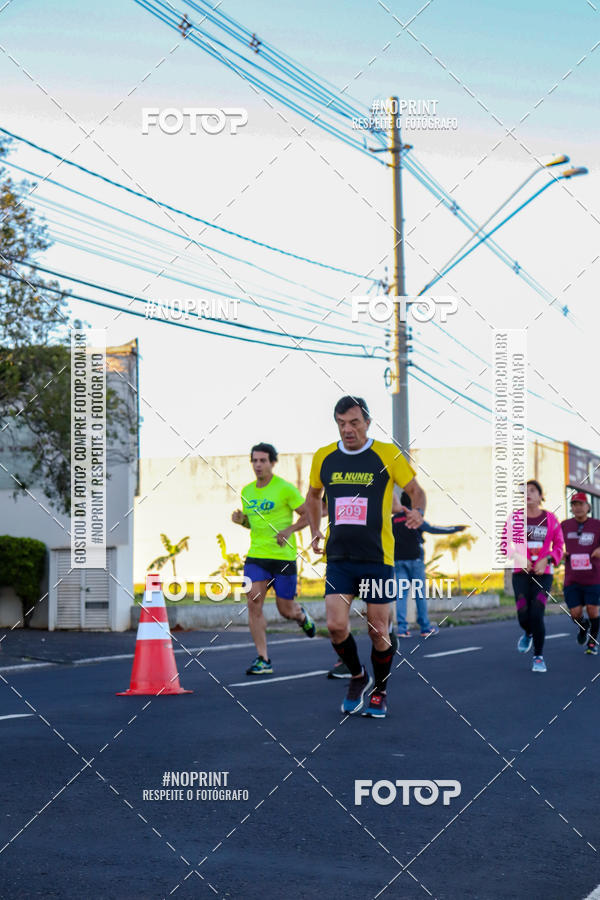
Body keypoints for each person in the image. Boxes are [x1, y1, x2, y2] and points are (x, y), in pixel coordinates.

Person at [305, 396, 426, 718]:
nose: (348, 429)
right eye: (341, 423)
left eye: (354, 422)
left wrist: (418, 512)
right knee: (334, 626)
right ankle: (358, 676)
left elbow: (416, 490)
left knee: (377, 631)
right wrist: (315, 529)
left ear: (367, 422)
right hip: (340, 557)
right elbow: (313, 495)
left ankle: (381, 690)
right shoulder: (324, 457)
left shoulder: (386, 454)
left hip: (377, 558)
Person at [232, 442, 316, 675]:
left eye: (262, 461)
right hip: (257, 556)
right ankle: (263, 659)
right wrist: (242, 520)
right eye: (255, 461)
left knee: (285, 610)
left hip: (283, 557)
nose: (258, 465)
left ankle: (301, 615)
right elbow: (252, 524)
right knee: (253, 603)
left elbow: (308, 515)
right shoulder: (247, 491)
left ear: (272, 463)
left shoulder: (285, 489)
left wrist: (289, 530)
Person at [502, 479, 564, 673]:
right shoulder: (515, 518)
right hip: (521, 575)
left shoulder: (551, 519)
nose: (527, 494)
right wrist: (518, 557)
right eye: (524, 491)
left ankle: (538, 657)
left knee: (537, 613)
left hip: (543, 574)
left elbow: (559, 546)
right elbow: (505, 543)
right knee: (523, 615)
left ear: (540, 495)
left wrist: (549, 558)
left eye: (532, 490)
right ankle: (528, 633)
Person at [392, 491, 466, 638]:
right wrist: (455, 529)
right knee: (420, 595)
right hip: (416, 561)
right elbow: (434, 529)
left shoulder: (393, 520)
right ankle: (425, 628)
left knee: (401, 596)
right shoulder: (416, 518)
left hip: (398, 561)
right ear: (413, 503)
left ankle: (402, 629)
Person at [560, 491, 600, 655]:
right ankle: (583, 628)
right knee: (575, 614)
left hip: (593, 577)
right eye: (574, 505)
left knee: (592, 610)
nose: (577, 508)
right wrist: (560, 553)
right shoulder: (564, 525)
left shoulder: (597, 524)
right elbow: (556, 543)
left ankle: (592, 642)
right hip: (572, 578)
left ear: (588, 507)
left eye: (580, 504)